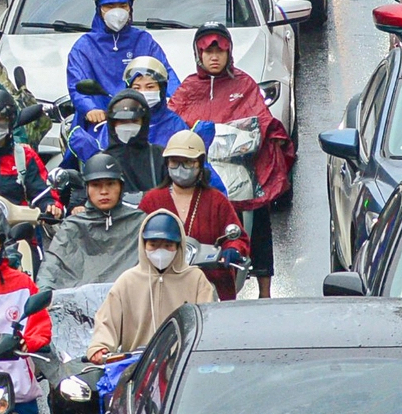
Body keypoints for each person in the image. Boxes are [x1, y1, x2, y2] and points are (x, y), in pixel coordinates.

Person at [167, 23, 292, 297]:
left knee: (259, 216)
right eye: (207, 52)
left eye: (220, 51)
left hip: (240, 168)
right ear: (198, 55)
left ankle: (264, 289)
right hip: (201, 173)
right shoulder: (189, 88)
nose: (214, 57)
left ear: (229, 53)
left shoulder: (244, 83)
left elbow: (260, 120)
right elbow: (172, 123)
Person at [87, 212, 218, 360]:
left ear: (179, 245)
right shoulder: (128, 280)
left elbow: (207, 322)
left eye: (168, 245)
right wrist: (100, 347)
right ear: (143, 244)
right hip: (136, 366)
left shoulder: (196, 279)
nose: (160, 251)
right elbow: (107, 319)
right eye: (153, 245)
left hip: (183, 363)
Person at [138, 130, 249, 300]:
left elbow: (237, 237)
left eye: (188, 163)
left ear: (199, 164)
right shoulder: (152, 200)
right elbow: (136, 240)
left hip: (210, 285)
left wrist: (232, 249)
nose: (180, 168)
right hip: (161, 285)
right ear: (167, 164)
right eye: (175, 162)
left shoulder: (216, 200)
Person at [65, 0, 176, 126]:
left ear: (130, 9)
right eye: (110, 6)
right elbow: (77, 84)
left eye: (122, 5)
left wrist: (177, 101)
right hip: (101, 123)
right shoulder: (84, 46)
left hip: (144, 119)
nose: (116, 12)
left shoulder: (143, 40)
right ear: (99, 9)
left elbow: (166, 74)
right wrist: (91, 109)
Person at [36, 152, 144, 289]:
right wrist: (43, 295)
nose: (104, 191)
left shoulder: (139, 222)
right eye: (96, 185)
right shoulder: (73, 226)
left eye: (110, 184)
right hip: (79, 308)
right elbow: (51, 267)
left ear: (121, 187)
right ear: (87, 188)